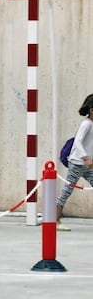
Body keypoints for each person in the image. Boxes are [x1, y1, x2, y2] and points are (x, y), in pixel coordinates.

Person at [56, 94, 93, 231]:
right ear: (91, 110)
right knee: (67, 190)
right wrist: (86, 158)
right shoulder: (86, 124)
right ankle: (55, 221)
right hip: (78, 163)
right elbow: (77, 142)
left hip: (88, 165)